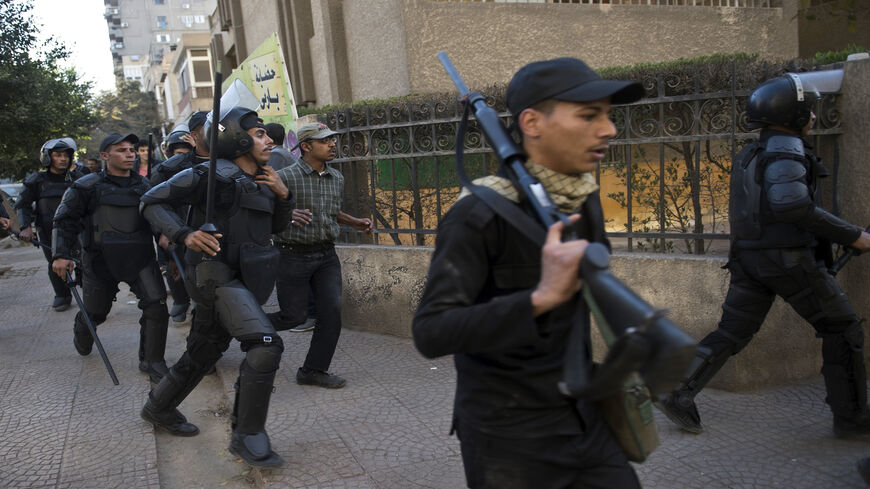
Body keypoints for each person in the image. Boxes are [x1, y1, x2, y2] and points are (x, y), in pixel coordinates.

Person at [412, 58, 645, 489]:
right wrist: (540, 298)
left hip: (583, 414)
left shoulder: (583, 199)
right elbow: (431, 331)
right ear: (532, 122)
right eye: (590, 115)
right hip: (508, 437)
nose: (609, 129)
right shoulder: (476, 215)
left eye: (609, 115)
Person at [656, 74, 870, 439]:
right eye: (809, 110)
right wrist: (854, 236)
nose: (814, 117)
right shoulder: (785, 149)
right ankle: (852, 418)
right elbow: (791, 205)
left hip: (750, 260)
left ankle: (677, 390)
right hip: (787, 261)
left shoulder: (750, 153)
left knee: (733, 331)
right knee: (842, 327)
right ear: (794, 113)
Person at [139, 106, 293, 467]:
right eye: (258, 134)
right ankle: (247, 435)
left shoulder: (267, 177)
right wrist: (184, 233)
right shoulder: (209, 176)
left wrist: (285, 196)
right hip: (215, 275)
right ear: (236, 139)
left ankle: (157, 407)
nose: (269, 139)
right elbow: (151, 201)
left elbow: (276, 229)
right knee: (265, 344)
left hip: (249, 277)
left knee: (204, 351)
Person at [51, 133, 171, 382]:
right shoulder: (85, 187)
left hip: (140, 258)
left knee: (157, 306)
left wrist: (165, 236)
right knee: (96, 312)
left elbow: (160, 216)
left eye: (132, 150)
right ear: (105, 156)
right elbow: (64, 222)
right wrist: (61, 255)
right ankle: (83, 326)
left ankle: (153, 361)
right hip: (100, 262)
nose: (130, 154)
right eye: (122, 150)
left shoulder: (145, 186)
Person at [270, 122, 372, 389]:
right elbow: (266, 209)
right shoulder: (286, 177)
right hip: (292, 255)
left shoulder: (335, 177)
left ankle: (313, 370)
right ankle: (243, 327)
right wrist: (288, 214)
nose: (332, 145)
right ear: (306, 146)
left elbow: (331, 211)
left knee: (331, 314)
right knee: (293, 316)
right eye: (325, 141)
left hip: (326, 255)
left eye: (332, 141)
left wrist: (355, 222)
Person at [149, 111, 210, 322]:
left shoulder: (200, 167)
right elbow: (152, 205)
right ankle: (180, 300)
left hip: (194, 226)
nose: (180, 157)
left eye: (185, 152)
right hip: (170, 229)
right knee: (172, 268)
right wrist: (163, 233)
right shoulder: (162, 171)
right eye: (177, 153)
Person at [15, 138, 87, 311]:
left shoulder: (79, 178)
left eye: (66, 155)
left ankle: (91, 293)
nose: (63, 159)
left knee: (86, 260)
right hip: (49, 230)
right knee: (55, 263)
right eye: (58, 155)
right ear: (48, 157)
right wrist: (25, 227)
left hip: (78, 228)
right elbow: (22, 204)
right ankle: (62, 295)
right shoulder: (36, 181)